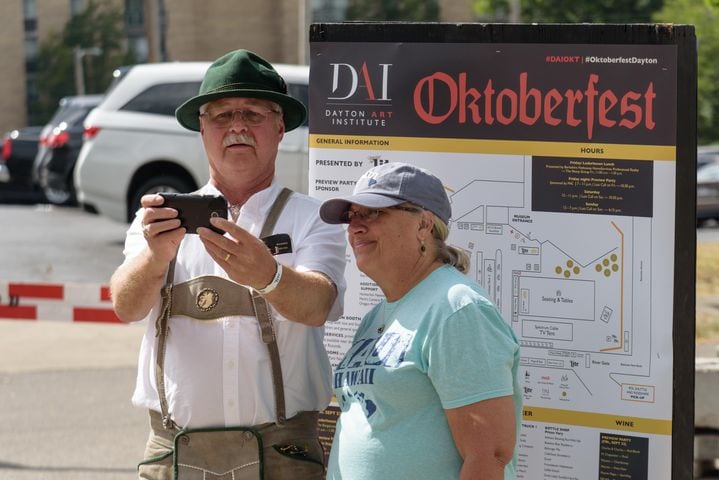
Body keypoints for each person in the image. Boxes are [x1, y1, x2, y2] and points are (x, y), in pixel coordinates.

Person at [110, 49, 346, 479]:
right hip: (175, 451)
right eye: (221, 116)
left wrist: (269, 276)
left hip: (283, 453)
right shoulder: (158, 223)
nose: (237, 126)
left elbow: (317, 306)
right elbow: (125, 307)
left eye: (253, 113)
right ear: (202, 130)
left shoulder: (313, 218)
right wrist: (154, 258)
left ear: (280, 128)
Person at [319, 162, 522, 480]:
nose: (355, 228)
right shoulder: (378, 315)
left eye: (373, 213)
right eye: (352, 216)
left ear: (424, 224)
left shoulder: (457, 309)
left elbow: (489, 455)